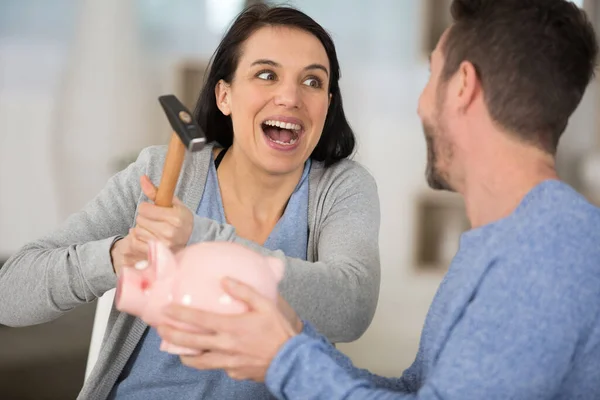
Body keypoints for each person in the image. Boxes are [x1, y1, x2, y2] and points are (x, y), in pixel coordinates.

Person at [155, 0, 600, 399]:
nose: (422, 103)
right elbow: (418, 391)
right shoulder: (518, 240)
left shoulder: (543, 255)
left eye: (431, 75)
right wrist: (291, 337)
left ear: (463, 86)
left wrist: (284, 357)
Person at [0, 4, 381, 400]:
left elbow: (350, 306)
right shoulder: (162, 172)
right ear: (224, 95)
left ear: (327, 103)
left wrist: (200, 240)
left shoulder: (341, 188)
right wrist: (115, 257)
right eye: (266, 75)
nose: (290, 96)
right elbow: (9, 295)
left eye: (312, 82)